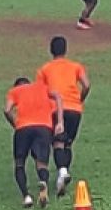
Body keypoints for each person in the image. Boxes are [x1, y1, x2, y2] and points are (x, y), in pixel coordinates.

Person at [36, 36, 90, 197]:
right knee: (68, 144)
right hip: (75, 109)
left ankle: (62, 172)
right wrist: (79, 99)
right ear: (65, 49)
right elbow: (87, 85)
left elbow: (40, 92)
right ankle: (63, 172)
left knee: (58, 143)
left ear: (51, 50)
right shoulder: (75, 66)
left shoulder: (44, 69)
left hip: (55, 109)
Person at [3, 77, 64, 209]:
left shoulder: (15, 91)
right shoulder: (42, 87)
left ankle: (26, 196)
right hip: (43, 127)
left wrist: (14, 123)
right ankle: (43, 182)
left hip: (23, 128)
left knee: (20, 162)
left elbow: (7, 110)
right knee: (41, 162)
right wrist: (60, 122)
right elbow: (58, 96)